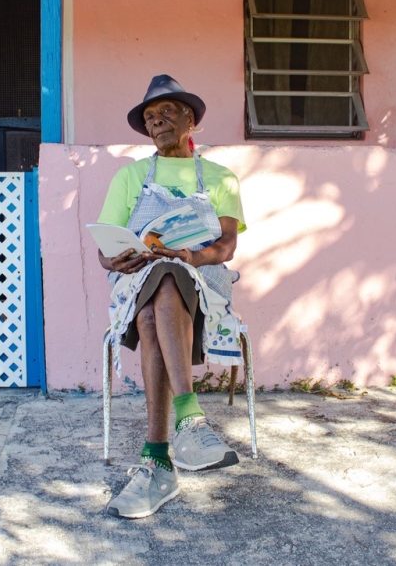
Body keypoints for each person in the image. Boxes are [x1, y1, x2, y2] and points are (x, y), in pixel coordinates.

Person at [97, 75, 247, 519]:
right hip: (139, 281)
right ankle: (190, 421)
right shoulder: (129, 176)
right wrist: (116, 261)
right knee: (158, 279)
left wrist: (190, 256)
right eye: (149, 117)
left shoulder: (221, 177)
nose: (156, 121)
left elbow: (225, 248)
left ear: (191, 120)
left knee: (165, 279)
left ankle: (156, 462)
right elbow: (106, 251)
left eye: (166, 112)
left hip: (201, 285)